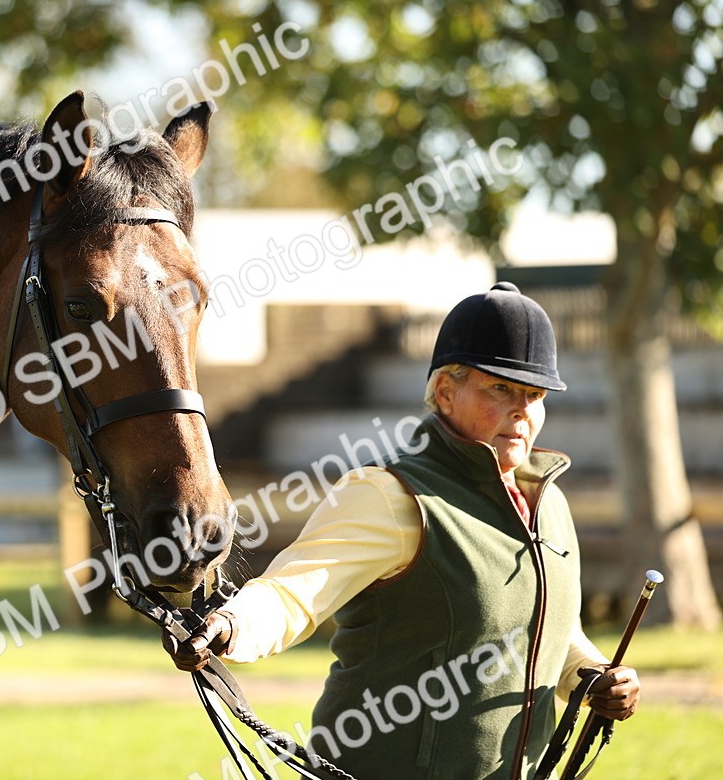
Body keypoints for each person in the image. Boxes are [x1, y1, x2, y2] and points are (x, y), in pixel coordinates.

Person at [166, 282, 640, 780]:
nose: (522, 409)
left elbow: (548, 632)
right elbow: (293, 591)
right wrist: (230, 625)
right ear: (446, 392)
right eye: (500, 388)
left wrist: (593, 677)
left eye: (535, 394)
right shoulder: (388, 494)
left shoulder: (550, 506)